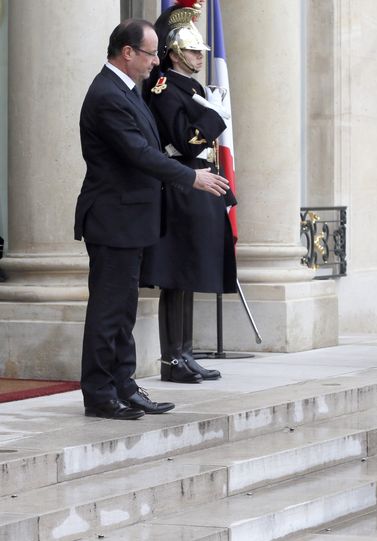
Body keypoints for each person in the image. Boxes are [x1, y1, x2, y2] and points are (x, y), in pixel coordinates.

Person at [74, 19, 229, 420]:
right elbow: (139, 152)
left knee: (123, 310)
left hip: (131, 219)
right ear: (128, 52)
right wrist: (190, 177)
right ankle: (99, 393)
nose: (155, 61)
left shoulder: (128, 91)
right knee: (109, 310)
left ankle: (124, 385)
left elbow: (150, 146)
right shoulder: (107, 94)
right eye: (150, 53)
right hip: (113, 219)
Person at [139, 1, 237, 383]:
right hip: (181, 182)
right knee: (175, 275)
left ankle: (185, 351)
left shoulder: (191, 87)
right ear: (175, 52)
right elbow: (187, 140)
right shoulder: (165, 89)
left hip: (198, 182)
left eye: (201, 50)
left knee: (191, 271)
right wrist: (215, 116)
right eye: (194, 50)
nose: (200, 56)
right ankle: (171, 359)